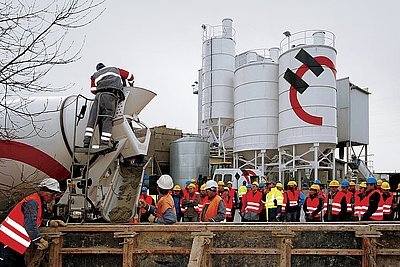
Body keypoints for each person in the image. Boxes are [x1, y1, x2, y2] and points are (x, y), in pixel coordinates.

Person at [0, 178, 67, 267]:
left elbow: (35, 220)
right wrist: (39, 240)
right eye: (53, 195)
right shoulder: (32, 202)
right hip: (7, 244)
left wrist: (49, 223)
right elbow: (30, 225)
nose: (54, 198)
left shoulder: (38, 202)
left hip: (14, 246)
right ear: (46, 192)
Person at [83, 63, 134, 148]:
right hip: (111, 96)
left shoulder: (94, 75)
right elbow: (130, 76)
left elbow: (92, 90)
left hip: (99, 96)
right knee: (107, 118)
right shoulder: (115, 69)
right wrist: (131, 84)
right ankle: (104, 143)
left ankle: (86, 142)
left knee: (93, 118)